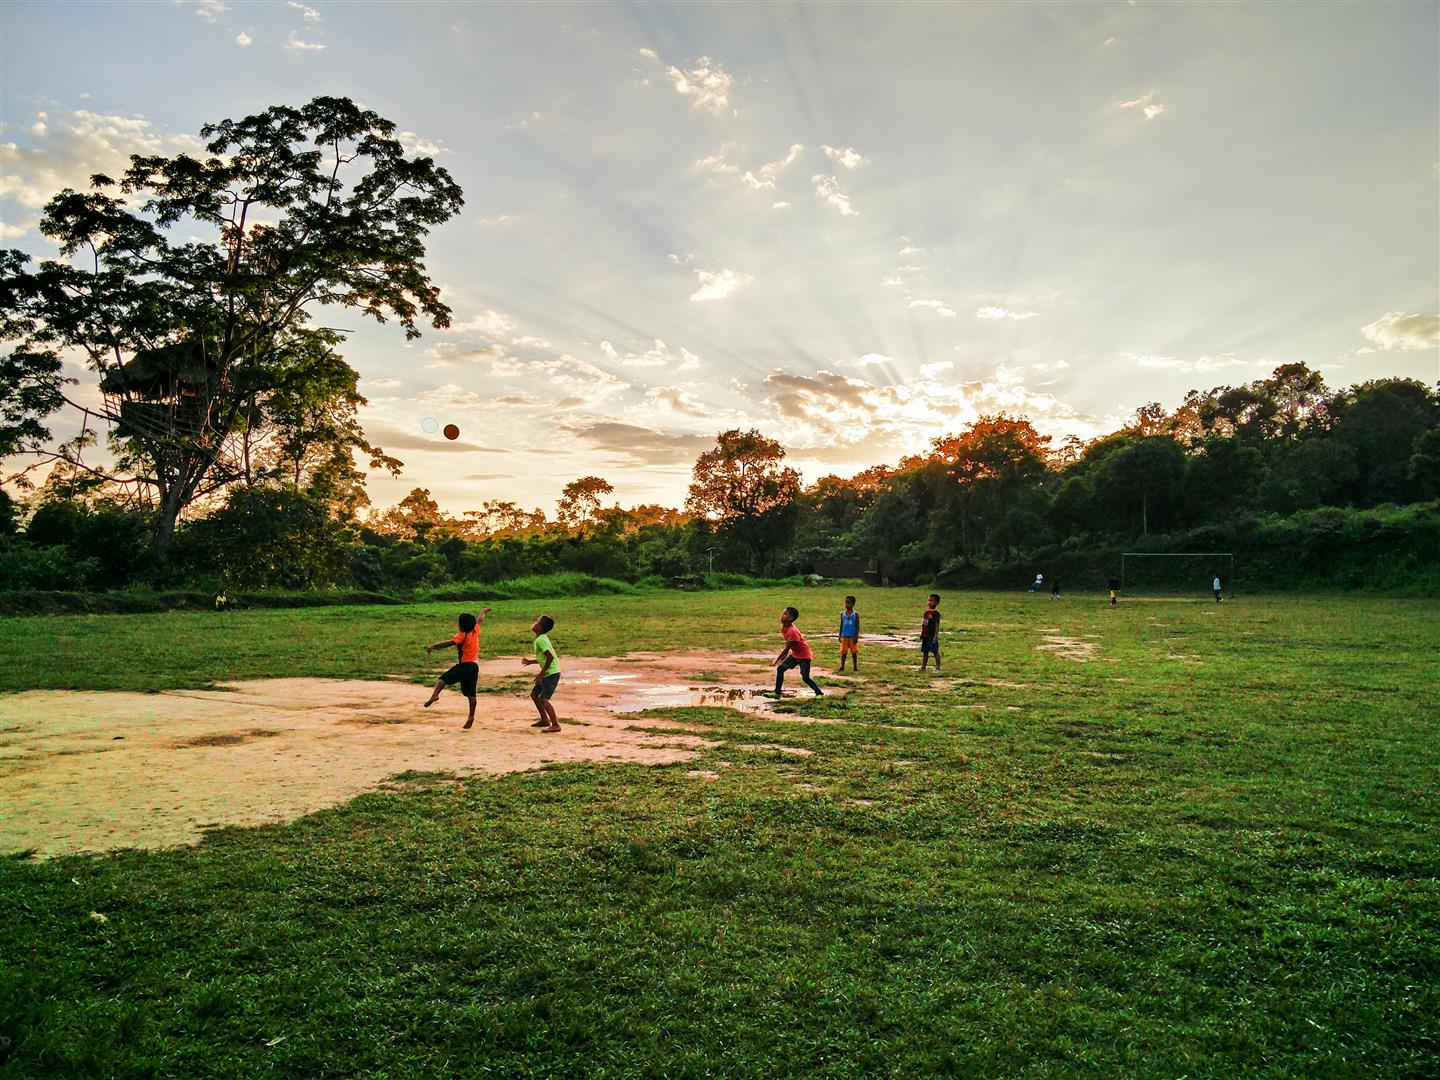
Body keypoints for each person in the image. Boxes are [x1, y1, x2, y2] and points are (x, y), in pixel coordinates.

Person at [423, 608, 492, 729]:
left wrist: (433, 646)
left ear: (462, 626)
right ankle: (471, 716)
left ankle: (435, 695)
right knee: (471, 693)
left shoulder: (462, 635)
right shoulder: (475, 630)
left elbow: (448, 643)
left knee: (443, 679)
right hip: (474, 666)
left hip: (464, 665)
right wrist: (484, 612)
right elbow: (479, 620)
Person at [770, 606, 823, 697]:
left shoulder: (792, 631)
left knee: (805, 677)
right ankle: (777, 693)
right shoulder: (785, 628)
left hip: (804, 656)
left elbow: (787, 649)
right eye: (783, 613)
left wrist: (777, 660)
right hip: (796, 654)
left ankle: (819, 693)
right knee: (780, 669)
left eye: (785, 614)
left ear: (791, 618)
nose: (782, 616)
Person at [522, 614, 562, 732]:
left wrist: (541, 674)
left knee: (544, 698)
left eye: (536, 622)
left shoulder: (540, 640)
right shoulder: (542, 638)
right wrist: (531, 662)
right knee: (535, 695)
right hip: (548, 672)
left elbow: (550, 658)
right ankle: (545, 719)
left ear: (539, 627)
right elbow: (544, 658)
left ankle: (555, 724)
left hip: (551, 673)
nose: (534, 623)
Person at [838, 595, 861, 672]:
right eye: (846, 603)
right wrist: (839, 635)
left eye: (849, 603)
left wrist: (856, 636)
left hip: (852, 636)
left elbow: (857, 626)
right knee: (843, 652)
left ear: (853, 604)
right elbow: (841, 625)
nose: (847, 605)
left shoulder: (856, 614)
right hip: (844, 635)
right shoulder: (842, 614)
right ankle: (842, 666)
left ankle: (855, 666)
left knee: (854, 652)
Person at [920, 593, 941, 671]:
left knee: (935, 651)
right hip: (925, 635)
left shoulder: (936, 614)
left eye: (932, 600)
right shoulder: (925, 613)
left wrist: (935, 636)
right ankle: (923, 667)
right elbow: (924, 624)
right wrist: (922, 633)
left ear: (937, 603)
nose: (929, 602)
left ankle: (938, 667)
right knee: (925, 652)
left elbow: (937, 625)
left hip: (931, 636)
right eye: (928, 600)